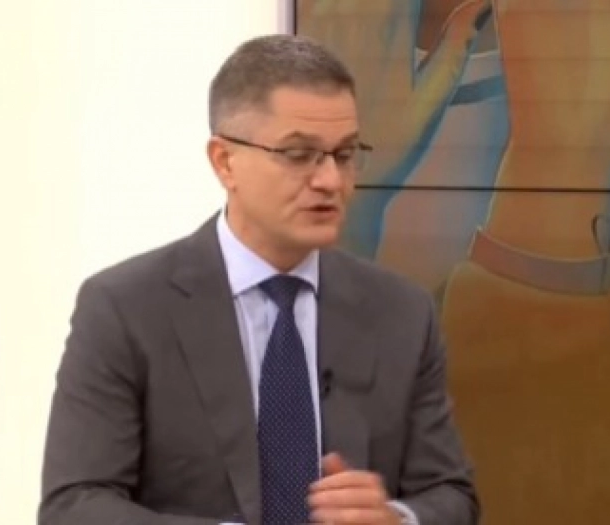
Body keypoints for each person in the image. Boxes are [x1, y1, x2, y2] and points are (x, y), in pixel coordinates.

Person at [38, 33, 480, 525]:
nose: (331, 181)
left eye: (344, 154)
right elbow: (73, 506)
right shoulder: (126, 308)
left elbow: (452, 497)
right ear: (224, 161)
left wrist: (396, 519)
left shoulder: (401, 312)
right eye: (299, 154)